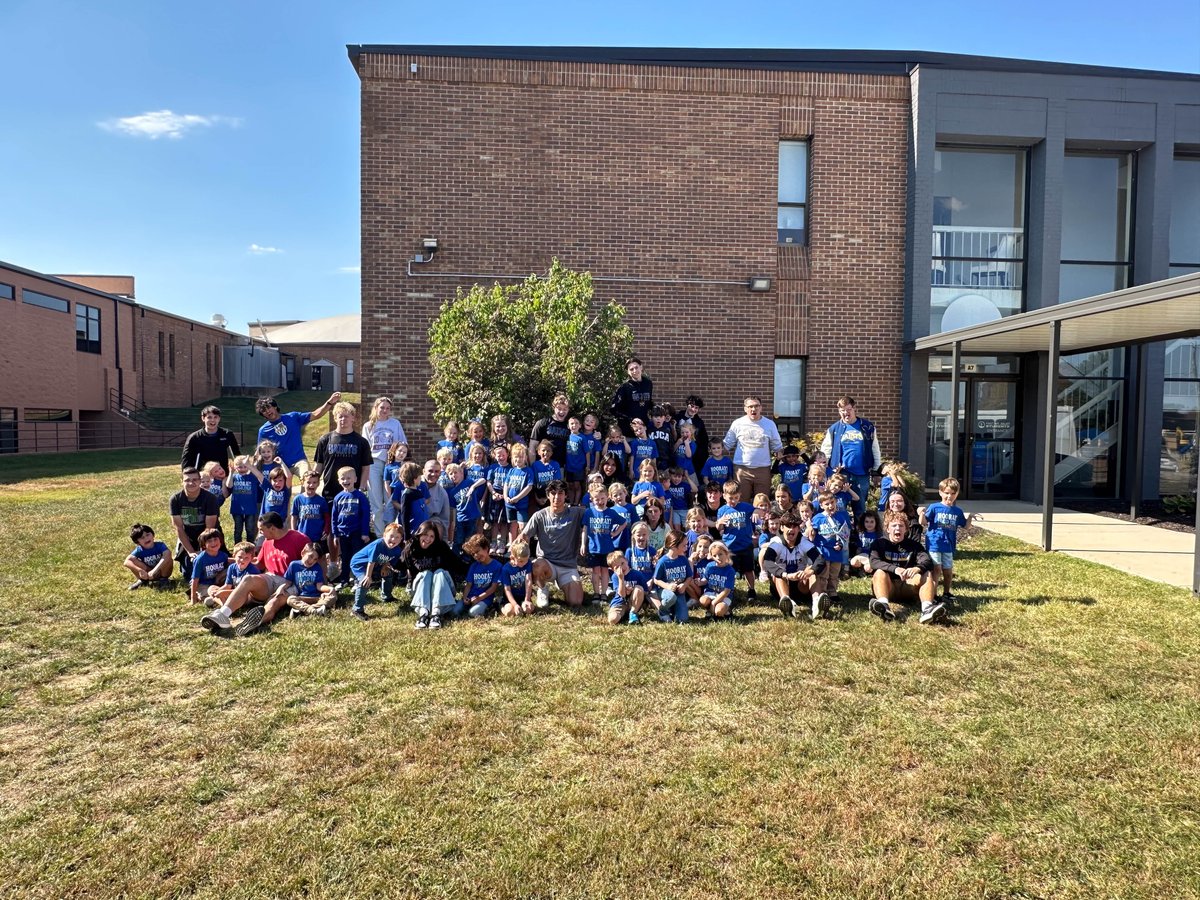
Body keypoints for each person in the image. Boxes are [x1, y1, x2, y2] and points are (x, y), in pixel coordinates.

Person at [199, 512, 307, 636]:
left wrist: (322, 583)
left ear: (272, 528)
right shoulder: (267, 542)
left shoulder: (299, 539)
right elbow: (258, 564)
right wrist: (233, 562)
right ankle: (223, 615)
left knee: (273, 603)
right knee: (248, 578)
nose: (260, 533)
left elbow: (315, 560)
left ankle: (247, 624)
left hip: (290, 583)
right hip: (271, 578)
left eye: (261, 530)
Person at [517, 479, 588, 608]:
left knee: (576, 602)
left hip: (568, 566)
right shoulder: (539, 516)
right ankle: (542, 588)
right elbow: (524, 536)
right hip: (547, 563)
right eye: (553, 493)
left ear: (566, 495)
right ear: (548, 495)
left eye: (561, 493)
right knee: (537, 564)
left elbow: (599, 513)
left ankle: (561, 582)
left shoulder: (576, 513)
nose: (557, 497)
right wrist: (521, 544)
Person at [868, 511, 944, 625]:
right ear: (887, 529)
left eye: (901, 526)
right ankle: (883, 605)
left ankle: (927, 608)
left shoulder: (914, 545)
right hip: (889, 586)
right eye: (894, 525)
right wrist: (895, 569)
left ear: (906, 529)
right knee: (879, 572)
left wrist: (917, 568)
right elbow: (874, 562)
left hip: (908, 585)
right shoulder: (878, 544)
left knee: (926, 573)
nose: (897, 528)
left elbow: (927, 561)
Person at [918, 476, 981, 604]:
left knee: (948, 571)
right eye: (946, 493)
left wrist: (970, 517)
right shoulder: (934, 507)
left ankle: (946, 593)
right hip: (935, 544)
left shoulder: (957, 511)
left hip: (949, 545)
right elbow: (923, 522)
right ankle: (933, 595)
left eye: (953, 493)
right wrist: (922, 514)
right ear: (941, 492)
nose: (949, 496)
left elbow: (966, 526)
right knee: (936, 570)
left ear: (957, 494)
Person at [820, 396, 883, 518]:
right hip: (841, 474)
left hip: (862, 474)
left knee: (860, 506)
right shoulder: (834, 429)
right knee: (838, 505)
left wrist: (876, 471)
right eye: (842, 410)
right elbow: (826, 450)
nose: (846, 413)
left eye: (848, 409)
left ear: (854, 409)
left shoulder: (867, 427)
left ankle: (859, 533)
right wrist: (825, 469)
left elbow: (875, 449)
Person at [402, 521, 466, 629]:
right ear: (419, 533)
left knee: (439, 572)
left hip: (443, 585)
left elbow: (458, 564)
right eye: (425, 534)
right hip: (421, 588)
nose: (428, 539)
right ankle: (423, 614)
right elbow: (399, 564)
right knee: (426, 573)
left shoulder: (441, 547)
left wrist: (477, 569)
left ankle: (436, 614)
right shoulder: (411, 548)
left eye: (432, 536)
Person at [256, 392, 340, 473]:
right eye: (264, 410)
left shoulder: (293, 417)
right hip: (279, 464)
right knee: (281, 487)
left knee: (307, 479)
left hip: (299, 461)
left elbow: (315, 414)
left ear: (275, 406)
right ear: (262, 414)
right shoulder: (263, 430)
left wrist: (329, 402)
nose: (267, 411)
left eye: (269, 407)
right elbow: (259, 452)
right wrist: (252, 468)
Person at [763, 510, 823, 619]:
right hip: (782, 584)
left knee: (812, 570)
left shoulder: (804, 542)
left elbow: (820, 559)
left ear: (799, 529)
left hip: (801, 585)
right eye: (788, 526)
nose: (791, 529)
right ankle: (788, 605)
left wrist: (810, 571)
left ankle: (817, 604)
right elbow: (767, 562)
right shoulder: (776, 543)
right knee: (778, 575)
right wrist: (786, 575)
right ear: (782, 528)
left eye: (795, 526)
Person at [361, 397, 408, 537]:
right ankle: (380, 536)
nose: (384, 410)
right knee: (376, 502)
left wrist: (400, 462)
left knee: (390, 500)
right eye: (382, 407)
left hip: (392, 464)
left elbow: (402, 444)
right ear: (376, 408)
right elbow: (365, 449)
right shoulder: (368, 426)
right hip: (374, 463)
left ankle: (393, 533)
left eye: (387, 408)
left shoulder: (395, 424)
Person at [723, 397, 783, 503]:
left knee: (762, 502)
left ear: (761, 408)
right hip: (742, 470)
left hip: (763, 469)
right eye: (750, 406)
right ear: (745, 409)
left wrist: (778, 452)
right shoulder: (737, 423)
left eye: (756, 406)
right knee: (741, 501)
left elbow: (777, 446)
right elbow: (726, 445)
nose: (753, 409)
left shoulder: (769, 424)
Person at [313, 401, 373, 503]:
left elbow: (366, 468)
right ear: (335, 418)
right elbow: (319, 466)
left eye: (346, 416)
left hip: (353, 493)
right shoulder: (325, 440)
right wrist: (312, 483)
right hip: (330, 493)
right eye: (340, 416)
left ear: (353, 418)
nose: (343, 419)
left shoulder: (361, 442)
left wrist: (362, 489)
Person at [169, 467, 220, 586]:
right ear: (181, 481)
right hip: (188, 536)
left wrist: (204, 552)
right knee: (188, 573)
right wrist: (191, 552)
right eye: (187, 480)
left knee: (215, 569)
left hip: (209, 536)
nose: (191, 483)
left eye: (195, 480)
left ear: (200, 481)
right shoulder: (176, 499)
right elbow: (178, 528)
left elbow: (209, 528)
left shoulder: (210, 498)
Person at [807, 491, 851, 621]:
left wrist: (842, 544)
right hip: (823, 551)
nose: (830, 506)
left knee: (834, 573)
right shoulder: (818, 518)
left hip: (837, 551)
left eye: (832, 502)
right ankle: (823, 593)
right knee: (824, 574)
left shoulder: (842, 515)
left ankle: (833, 592)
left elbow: (845, 533)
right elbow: (813, 533)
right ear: (821, 505)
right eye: (827, 504)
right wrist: (810, 529)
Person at [348, 523, 406, 620]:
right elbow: (371, 561)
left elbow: (387, 559)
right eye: (391, 536)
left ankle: (386, 596)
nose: (393, 540)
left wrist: (385, 567)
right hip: (360, 564)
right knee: (365, 582)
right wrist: (368, 576)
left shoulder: (397, 550)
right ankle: (357, 609)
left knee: (388, 573)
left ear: (401, 539)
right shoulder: (378, 544)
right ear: (384, 535)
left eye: (397, 537)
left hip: (376, 564)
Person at [715, 479, 758, 602]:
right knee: (730, 570)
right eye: (730, 498)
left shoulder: (745, 507)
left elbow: (757, 510)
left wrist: (755, 511)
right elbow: (719, 528)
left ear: (740, 496)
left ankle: (751, 590)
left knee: (748, 569)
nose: (733, 501)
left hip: (745, 544)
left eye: (736, 497)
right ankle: (729, 591)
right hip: (730, 546)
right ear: (724, 496)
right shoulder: (722, 510)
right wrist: (720, 523)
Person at [582, 482, 625, 604]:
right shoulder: (589, 512)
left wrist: (615, 533)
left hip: (607, 548)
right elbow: (585, 529)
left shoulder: (611, 513)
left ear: (607, 497)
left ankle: (603, 593)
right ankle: (596, 593)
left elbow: (624, 523)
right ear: (592, 499)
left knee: (605, 571)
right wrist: (582, 544)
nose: (600, 501)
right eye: (597, 499)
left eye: (602, 498)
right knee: (595, 571)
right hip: (593, 547)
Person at [330, 466, 371, 585]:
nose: (345, 481)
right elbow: (334, 517)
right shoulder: (338, 497)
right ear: (338, 480)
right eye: (342, 478)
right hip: (342, 532)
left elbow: (365, 515)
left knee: (356, 556)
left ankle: (357, 579)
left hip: (356, 532)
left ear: (355, 479)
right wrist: (335, 534)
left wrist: (364, 533)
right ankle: (344, 580)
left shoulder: (360, 496)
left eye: (349, 478)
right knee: (345, 556)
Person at [651, 530, 699, 624]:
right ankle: (663, 611)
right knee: (671, 597)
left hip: (679, 592)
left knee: (683, 619)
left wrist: (684, 585)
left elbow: (689, 576)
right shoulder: (663, 561)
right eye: (684, 545)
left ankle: (673, 610)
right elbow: (656, 580)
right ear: (673, 546)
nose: (686, 548)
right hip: (665, 591)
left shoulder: (683, 559)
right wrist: (667, 586)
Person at [283, 542, 337, 618]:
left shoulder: (317, 567)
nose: (312, 561)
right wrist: (281, 588)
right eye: (310, 556)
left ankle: (303, 611)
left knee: (333, 597)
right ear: (303, 553)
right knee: (290, 599)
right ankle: (316, 611)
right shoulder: (294, 565)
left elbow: (319, 586)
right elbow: (288, 582)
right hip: (302, 597)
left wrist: (330, 588)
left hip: (317, 598)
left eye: (315, 559)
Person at [181, 405, 240, 472]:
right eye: (209, 417)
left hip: (222, 474)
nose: (213, 420)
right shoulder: (194, 437)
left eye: (215, 417)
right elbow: (186, 460)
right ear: (203, 418)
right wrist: (186, 475)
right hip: (203, 476)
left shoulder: (227, 434)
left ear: (219, 418)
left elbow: (237, 454)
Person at [460, 534, 504, 618]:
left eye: (477, 551)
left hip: (485, 598)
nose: (476, 555)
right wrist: (465, 597)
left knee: (472, 613)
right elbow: (468, 585)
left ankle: (490, 607)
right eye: (473, 554)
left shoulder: (497, 566)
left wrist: (479, 598)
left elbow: (493, 588)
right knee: (455, 611)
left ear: (486, 548)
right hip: (471, 597)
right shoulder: (474, 566)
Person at [223, 455, 264, 544]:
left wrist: (250, 466)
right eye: (239, 467)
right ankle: (237, 546)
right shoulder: (234, 477)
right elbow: (229, 485)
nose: (242, 469)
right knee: (238, 530)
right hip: (237, 509)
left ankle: (250, 546)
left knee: (250, 529)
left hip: (250, 509)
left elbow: (260, 477)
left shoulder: (253, 477)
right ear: (235, 467)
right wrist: (231, 472)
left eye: (245, 466)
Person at [609, 357, 653, 436]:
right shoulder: (624, 387)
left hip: (644, 430)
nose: (635, 371)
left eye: (636, 367)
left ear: (641, 367)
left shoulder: (648, 384)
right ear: (628, 372)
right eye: (631, 369)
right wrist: (631, 419)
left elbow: (648, 402)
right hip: (628, 431)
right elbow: (614, 409)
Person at [124, 523, 173, 590]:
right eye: (142, 538)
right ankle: (143, 581)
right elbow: (126, 562)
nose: (146, 538)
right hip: (147, 574)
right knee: (133, 561)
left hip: (161, 572)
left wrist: (154, 570)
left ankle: (164, 580)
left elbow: (168, 554)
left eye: (147, 535)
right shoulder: (139, 550)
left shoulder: (160, 545)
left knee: (168, 557)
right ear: (137, 542)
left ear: (153, 535)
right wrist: (140, 570)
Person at [189, 528, 230, 606]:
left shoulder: (223, 556)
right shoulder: (200, 559)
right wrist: (193, 599)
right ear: (204, 545)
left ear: (220, 541)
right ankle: (207, 599)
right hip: (203, 584)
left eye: (215, 539)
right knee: (209, 594)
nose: (213, 543)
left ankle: (217, 599)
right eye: (209, 541)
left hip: (217, 581)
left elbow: (226, 570)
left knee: (230, 570)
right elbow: (195, 579)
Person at [529, 393, 572, 467]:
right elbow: (532, 447)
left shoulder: (571, 425)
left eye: (565, 409)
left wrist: (596, 435)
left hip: (560, 467)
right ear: (554, 408)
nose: (562, 412)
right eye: (559, 409)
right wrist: (532, 468)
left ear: (568, 410)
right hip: (542, 466)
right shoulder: (542, 423)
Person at [699, 540, 738, 620]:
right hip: (711, 592)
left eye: (720, 554)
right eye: (715, 555)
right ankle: (709, 611)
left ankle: (727, 611)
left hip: (724, 595)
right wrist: (700, 582)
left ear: (726, 554)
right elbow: (706, 579)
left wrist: (714, 602)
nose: (718, 558)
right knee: (703, 601)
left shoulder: (730, 571)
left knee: (719, 611)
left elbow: (726, 591)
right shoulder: (710, 566)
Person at [606, 551, 647, 625]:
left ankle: (633, 613)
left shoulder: (637, 574)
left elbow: (646, 591)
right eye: (617, 567)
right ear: (613, 570)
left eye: (622, 563)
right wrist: (621, 579)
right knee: (612, 620)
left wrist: (632, 590)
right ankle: (623, 615)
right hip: (620, 602)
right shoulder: (615, 577)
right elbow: (622, 595)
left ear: (626, 560)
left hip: (633, 602)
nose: (621, 568)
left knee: (639, 588)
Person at [420, 458, 454, 546]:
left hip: (431, 521)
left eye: (436, 471)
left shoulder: (442, 493)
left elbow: (445, 519)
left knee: (437, 526)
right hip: (413, 519)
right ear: (423, 471)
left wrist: (445, 542)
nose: (433, 474)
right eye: (430, 471)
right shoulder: (413, 485)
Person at [674, 395, 710, 474]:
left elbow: (704, 441)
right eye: (692, 406)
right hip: (677, 456)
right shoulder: (677, 418)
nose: (693, 409)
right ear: (687, 405)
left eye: (696, 408)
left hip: (692, 459)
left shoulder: (699, 423)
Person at [499, 541, 535, 617]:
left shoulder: (527, 563)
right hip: (510, 598)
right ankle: (500, 605)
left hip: (522, 596)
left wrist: (527, 600)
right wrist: (515, 605)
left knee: (528, 609)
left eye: (526, 560)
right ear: (512, 557)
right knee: (510, 612)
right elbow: (507, 589)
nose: (524, 563)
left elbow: (528, 581)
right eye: (521, 561)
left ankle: (522, 605)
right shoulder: (506, 569)